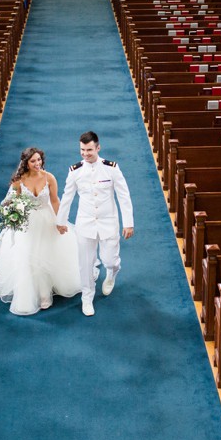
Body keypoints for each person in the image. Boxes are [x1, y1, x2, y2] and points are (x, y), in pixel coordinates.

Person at [0, 148, 82, 316]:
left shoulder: (49, 178)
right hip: (27, 223)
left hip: (47, 220)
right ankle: (31, 293)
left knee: (47, 254)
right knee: (28, 257)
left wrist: (60, 222)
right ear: (26, 163)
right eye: (33, 161)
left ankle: (45, 293)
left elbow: (54, 201)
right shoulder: (19, 181)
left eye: (39, 160)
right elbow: (7, 203)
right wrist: (12, 214)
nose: (37, 163)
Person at [56, 131, 134, 317]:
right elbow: (67, 197)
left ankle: (112, 273)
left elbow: (124, 196)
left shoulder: (111, 168)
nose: (85, 153)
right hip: (85, 223)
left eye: (89, 150)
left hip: (108, 222)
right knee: (86, 263)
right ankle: (87, 298)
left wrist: (128, 223)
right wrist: (61, 220)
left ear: (98, 148)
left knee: (110, 260)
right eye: (82, 150)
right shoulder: (75, 171)